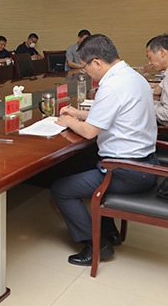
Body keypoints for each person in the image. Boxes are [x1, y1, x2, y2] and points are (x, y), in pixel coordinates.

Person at [51, 34, 159, 266]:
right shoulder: (133, 77)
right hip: (147, 163)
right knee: (85, 164)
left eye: (85, 67)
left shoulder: (111, 85)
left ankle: (97, 245)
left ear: (97, 63)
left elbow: (90, 132)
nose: (86, 72)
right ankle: (109, 232)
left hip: (127, 171)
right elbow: (115, 112)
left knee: (61, 189)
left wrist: (69, 122)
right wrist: (78, 113)